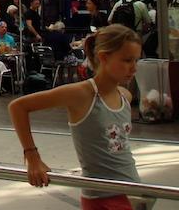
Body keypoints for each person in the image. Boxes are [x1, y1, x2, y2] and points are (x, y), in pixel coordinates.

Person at [8, 25, 142, 209]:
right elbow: (18, 107)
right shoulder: (82, 94)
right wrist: (32, 157)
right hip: (102, 196)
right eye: (127, 60)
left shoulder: (125, 96)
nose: (134, 68)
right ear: (104, 57)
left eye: (136, 60)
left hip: (135, 191)